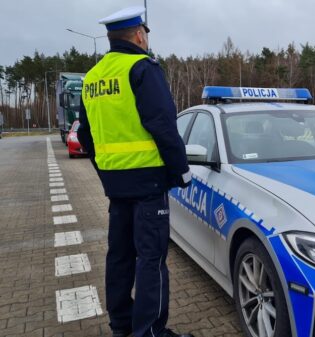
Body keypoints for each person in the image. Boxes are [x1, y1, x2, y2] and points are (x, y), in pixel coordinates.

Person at [77, 6, 193, 337]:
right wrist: (180, 170)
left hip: (116, 185)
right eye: (146, 33)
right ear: (139, 35)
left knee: (120, 257)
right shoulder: (142, 68)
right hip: (149, 183)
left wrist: (106, 171)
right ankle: (150, 333)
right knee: (150, 260)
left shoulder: (94, 77)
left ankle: (122, 327)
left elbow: (86, 135)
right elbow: (163, 125)